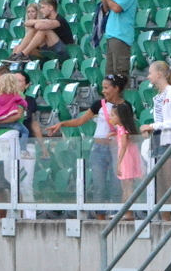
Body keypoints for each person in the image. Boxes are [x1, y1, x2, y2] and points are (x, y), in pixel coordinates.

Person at [45, 75, 127, 205]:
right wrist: (62, 124)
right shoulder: (98, 105)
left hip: (116, 149)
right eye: (102, 88)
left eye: (106, 88)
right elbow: (80, 120)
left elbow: (128, 127)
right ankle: (99, 216)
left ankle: (115, 214)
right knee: (98, 186)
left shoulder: (125, 106)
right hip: (98, 148)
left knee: (116, 186)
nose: (103, 91)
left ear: (116, 88)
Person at [139, 61, 171, 209]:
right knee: (158, 182)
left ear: (159, 74)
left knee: (169, 181)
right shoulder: (160, 94)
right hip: (158, 140)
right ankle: (164, 218)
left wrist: (153, 126)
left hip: (169, 141)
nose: (148, 77)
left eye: (150, 73)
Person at [95, 0, 137, 77]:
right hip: (112, 34)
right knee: (110, 72)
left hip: (121, 35)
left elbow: (117, 8)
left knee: (120, 71)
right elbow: (107, 8)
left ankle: (122, 94)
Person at [10, 0, 74, 62]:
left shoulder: (59, 20)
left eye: (43, 7)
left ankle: (22, 54)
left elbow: (38, 26)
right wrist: (41, 20)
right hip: (50, 49)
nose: (41, 10)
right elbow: (27, 23)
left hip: (63, 51)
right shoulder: (46, 19)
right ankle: (16, 55)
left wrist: (40, 22)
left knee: (44, 31)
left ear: (51, 8)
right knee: (17, 47)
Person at [111, 100, 144, 204]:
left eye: (112, 115)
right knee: (125, 185)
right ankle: (126, 210)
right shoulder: (120, 129)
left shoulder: (123, 130)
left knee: (128, 185)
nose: (110, 117)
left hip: (126, 157)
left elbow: (124, 145)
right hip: (126, 156)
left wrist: (119, 163)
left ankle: (128, 209)